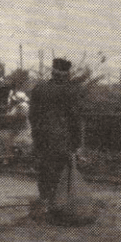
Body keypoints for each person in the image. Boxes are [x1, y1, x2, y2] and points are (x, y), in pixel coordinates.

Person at [29, 58, 82, 210]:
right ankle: (58, 206)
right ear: (67, 74)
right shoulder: (71, 91)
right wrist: (77, 143)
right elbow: (75, 118)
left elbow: (32, 115)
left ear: (52, 72)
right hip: (62, 137)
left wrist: (36, 134)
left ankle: (45, 201)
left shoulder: (39, 89)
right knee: (60, 171)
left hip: (42, 136)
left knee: (44, 169)